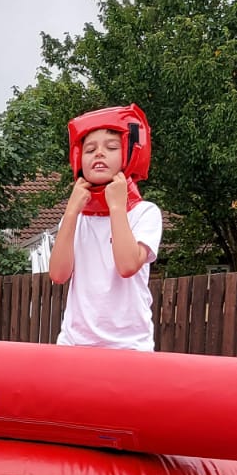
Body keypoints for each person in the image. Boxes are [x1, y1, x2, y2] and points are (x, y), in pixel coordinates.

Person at [49, 107, 163, 351]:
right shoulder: (75, 219)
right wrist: (70, 212)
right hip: (74, 344)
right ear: (79, 158)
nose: (99, 153)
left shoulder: (145, 213)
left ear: (128, 154)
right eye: (90, 149)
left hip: (129, 347)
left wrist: (116, 208)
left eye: (111, 147)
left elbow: (127, 265)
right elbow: (58, 275)